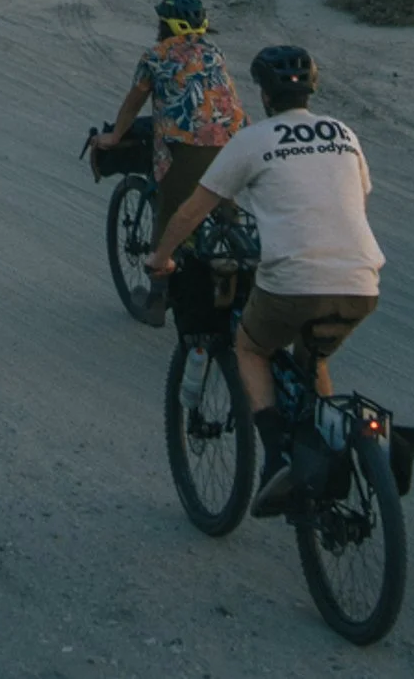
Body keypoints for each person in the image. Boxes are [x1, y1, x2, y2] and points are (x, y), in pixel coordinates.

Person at [148, 44, 384, 516]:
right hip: (361, 281)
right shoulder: (343, 133)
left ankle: (275, 451)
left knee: (250, 346)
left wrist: (161, 256)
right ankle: (326, 450)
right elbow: (356, 197)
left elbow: (194, 209)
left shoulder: (252, 140)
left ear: (263, 93)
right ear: (311, 89)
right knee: (311, 356)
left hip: (294, 281)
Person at [88, 0, 245, 313]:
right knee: (222, 203)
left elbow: (134, 102)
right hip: (237, 142)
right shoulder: (215, 52)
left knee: (171, 214)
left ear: (166, 25)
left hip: (187, 145)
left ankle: (157, 299)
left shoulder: (157, 55)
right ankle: (236, 249)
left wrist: (115, 136)